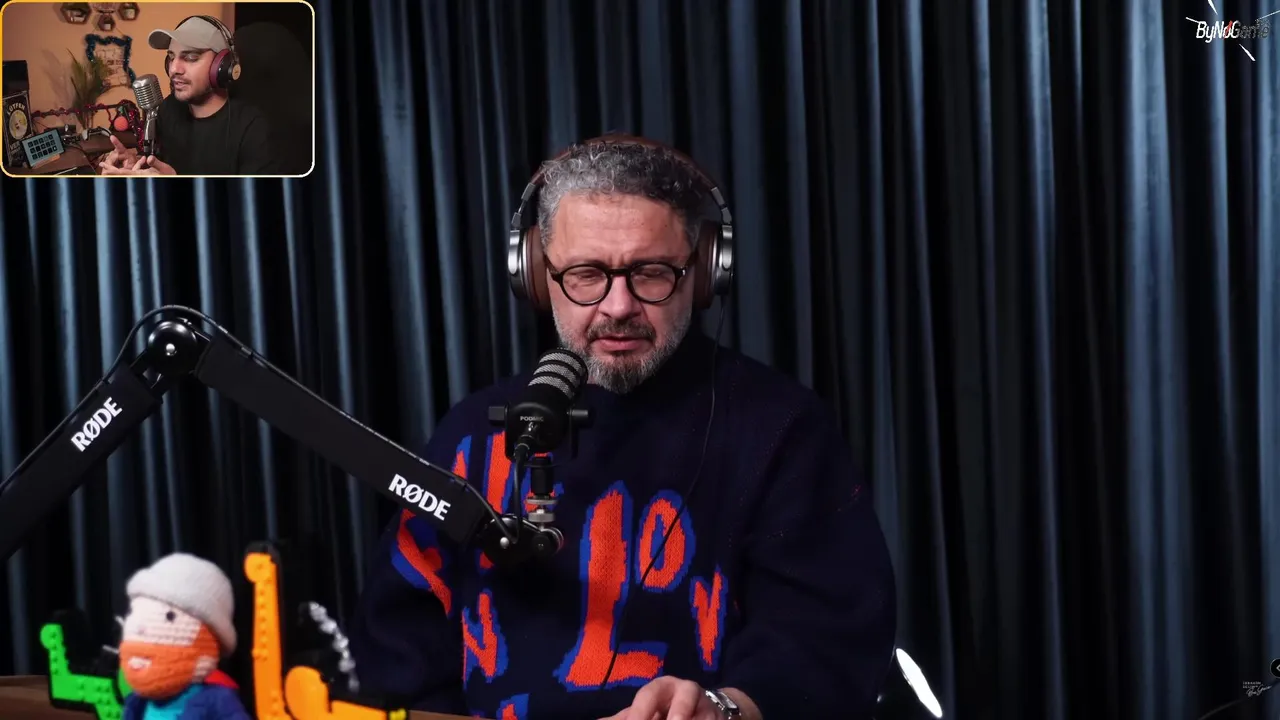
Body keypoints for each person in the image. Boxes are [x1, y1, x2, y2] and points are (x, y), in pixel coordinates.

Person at [346, 136, 897, 720]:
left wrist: (724, 707)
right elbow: (395, 653)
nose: (618, 306)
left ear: (704, 272)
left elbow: (826, 639)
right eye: (586, 274)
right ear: (536, 275)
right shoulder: (472, 434)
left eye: (650, 273)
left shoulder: (781, 429)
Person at [99, 15, 278, 176]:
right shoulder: (168, 109)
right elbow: (157, 164)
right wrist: (135, 163)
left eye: (191, 57)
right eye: (171, 57)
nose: (174, 69)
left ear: (223, 65)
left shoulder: (254, 128)